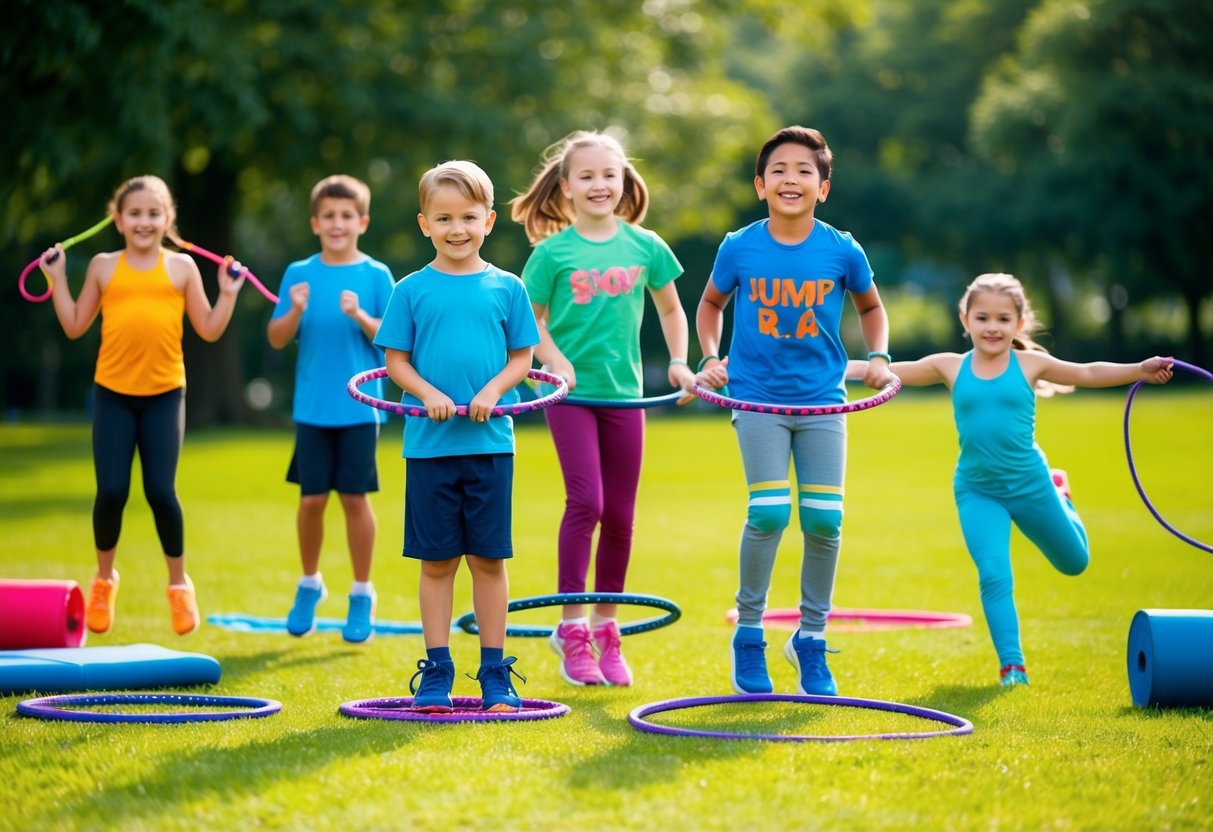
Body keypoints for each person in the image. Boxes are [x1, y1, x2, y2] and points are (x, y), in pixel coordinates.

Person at [858, 272, 1173, 686]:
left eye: (1004, 319)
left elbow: (1089, 372)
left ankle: (1063, 494)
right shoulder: (949, 366)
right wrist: (832, 370)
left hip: (1031, 485)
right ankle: (1013, 666)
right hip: (977, 491)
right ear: (965, 320)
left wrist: (1140, 369)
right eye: (983, 317)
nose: (993, 327)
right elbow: (886, 371)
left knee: (1074, 563)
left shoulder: (1031, 364)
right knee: (994, 573)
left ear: (1019, 325)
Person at [695, 126, 895, 697]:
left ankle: (810, 639)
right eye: (779, 170)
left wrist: (877, 354)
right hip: (757, 398)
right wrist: (711, 356)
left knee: (825, 522)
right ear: (760, 185)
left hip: (822, 401)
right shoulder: (739, 246)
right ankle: (750, 635)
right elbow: (711, 303)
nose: (791, 179)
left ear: (823, 187)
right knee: (768, 513)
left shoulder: (841, 248)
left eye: (805, 170)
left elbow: (872, 307)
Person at [510, 130, 697, 687]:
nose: (598, 185)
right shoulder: (551, 254)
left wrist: (681, 361)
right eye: (586, 176)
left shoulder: (646, 247)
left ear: (623, 182)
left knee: (620, 516)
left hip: (625, 395)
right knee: (585, 502)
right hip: (570, 395)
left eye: (607, 175)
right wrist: (556, 360)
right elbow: (529, 323)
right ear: (565, 188)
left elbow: (671, 309)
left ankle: (607, 629)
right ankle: (571, 631)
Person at [40, 174, 246, 636]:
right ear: (117, 219)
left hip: (164, 395)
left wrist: (228, 294)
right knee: (111, 491)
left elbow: (209, 329)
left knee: (160, 493)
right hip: (112, 394)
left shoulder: (182, 268)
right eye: (134, 213)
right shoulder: (102, 266)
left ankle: (178, 587)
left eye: (154, 213)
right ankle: (104, 579)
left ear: (168, 219)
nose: (144, 221)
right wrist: (56, 279)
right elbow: (74, 324)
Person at [374, 160, 540, 712]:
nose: (457, 229)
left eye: (468, 217)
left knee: (489, 560)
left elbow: (524, 358)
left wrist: (492, 391)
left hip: (491, 445)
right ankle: (438, 671)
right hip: (429, 450)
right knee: (438, 562)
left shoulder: (508, 287)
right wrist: (427, 394)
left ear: (490, 220)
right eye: (443, 218)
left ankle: (495, 672)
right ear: (424, 223)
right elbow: (395, 361)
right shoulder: (410, 290)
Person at [267, 174, 395, 643]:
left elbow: (396, 341)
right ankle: (310, 583)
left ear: (361, 222)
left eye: (346, 216)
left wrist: (360, 315)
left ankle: (362, 593)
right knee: (312, 500)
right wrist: (295, 310)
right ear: (314, 223)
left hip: (361, 412)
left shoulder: (376, 275)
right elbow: (276, 337)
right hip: (312, 409)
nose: (337, 224)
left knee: (354, 500)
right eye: (328, 217)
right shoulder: (299, 273)